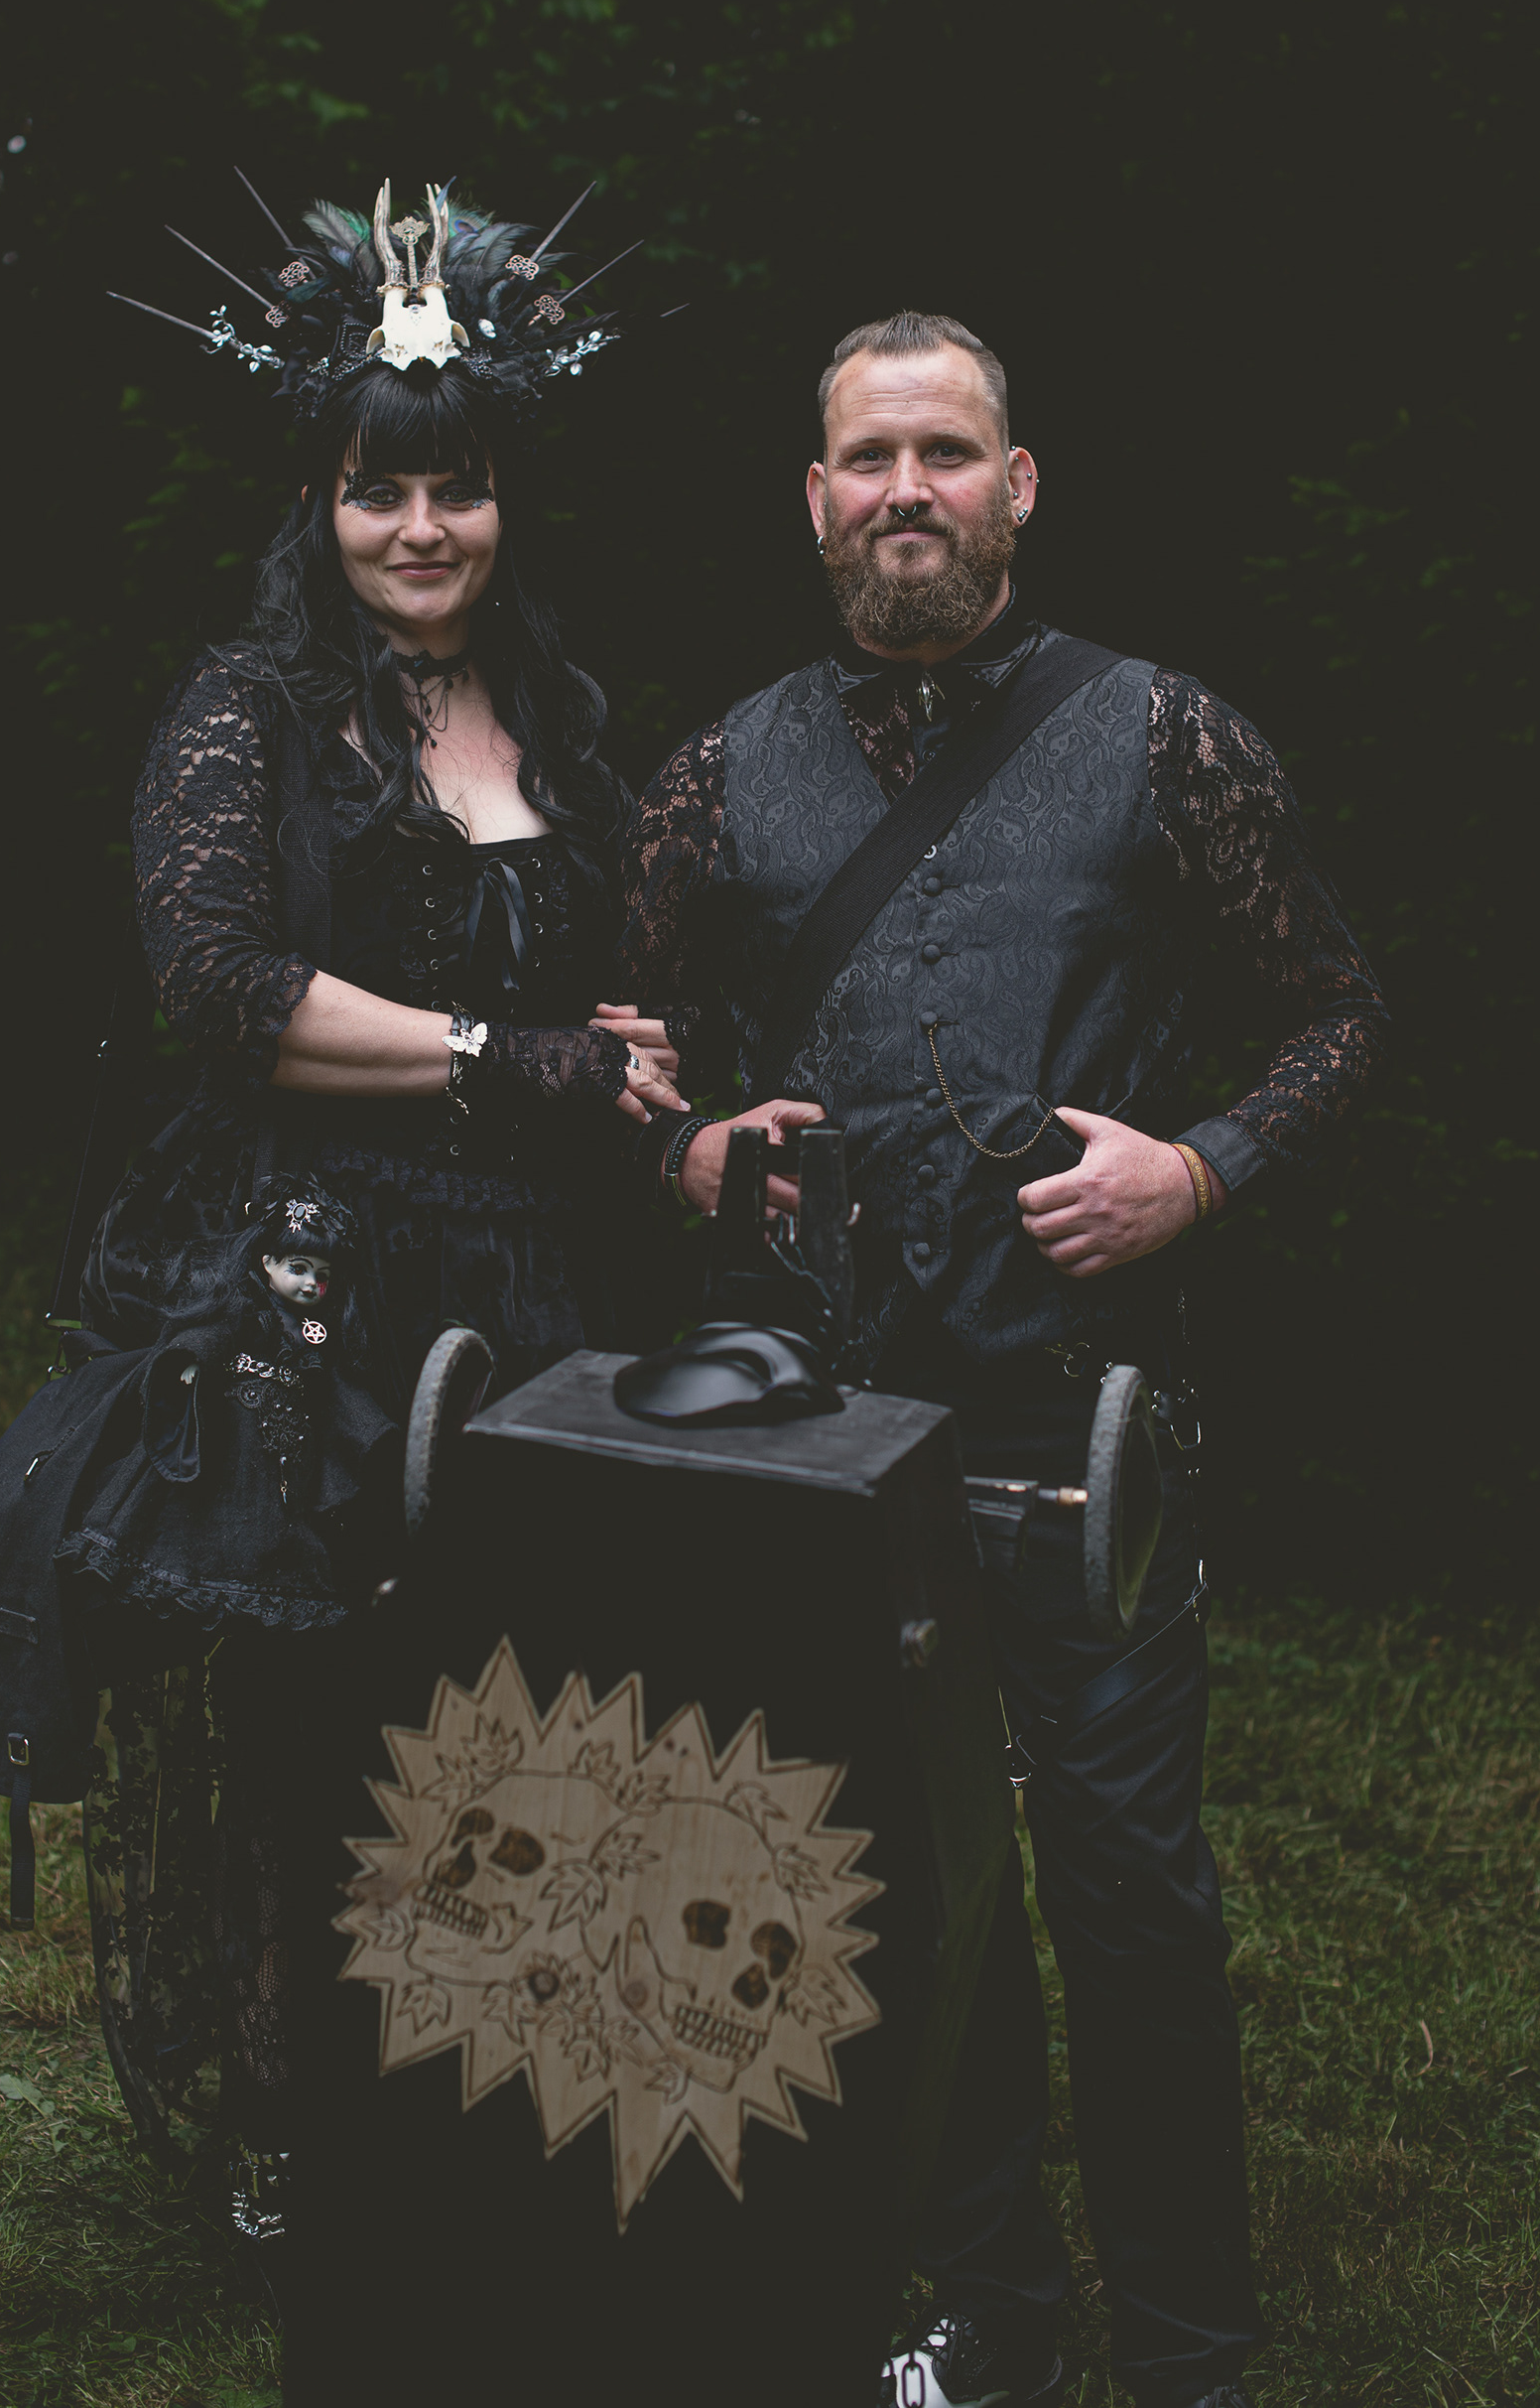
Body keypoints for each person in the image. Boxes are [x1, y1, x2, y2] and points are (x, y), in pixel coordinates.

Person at [617, 311, 1391, 2408]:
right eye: (869, 458)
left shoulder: (1164, 738)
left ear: (1018, 487)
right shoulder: (718, 772)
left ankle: (1192, 2351)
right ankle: (989, 2315)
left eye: (947, 453)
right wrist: (683, 1145)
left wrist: (1198, 1170)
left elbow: (1339, 1012)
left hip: (1090, 1419)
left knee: (1131, 1893)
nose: (908, 493)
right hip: (835, 1431)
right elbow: (627, 1048)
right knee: (898, 1881)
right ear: (814, 499)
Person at [71, 172, 685, 2287]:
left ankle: (490, 2104)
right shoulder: (247, 714)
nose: (422, 529)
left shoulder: (564, 730)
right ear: (319, 502)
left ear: (507, 498)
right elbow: (221, 992)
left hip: (528, 1293)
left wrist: (659, 1102)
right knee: (311, 1723)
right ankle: (292, 2135)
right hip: (315, 1287)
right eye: (378, 491)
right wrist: (505, 1056)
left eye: (457, 488)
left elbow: (608, 1019)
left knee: (516, 1706)